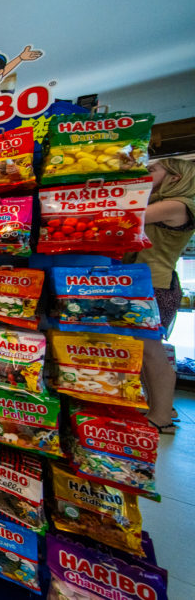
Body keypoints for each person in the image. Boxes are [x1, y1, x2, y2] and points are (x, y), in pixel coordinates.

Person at [133, 157, 195, 433]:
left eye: (153, 170)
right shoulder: (169, 202)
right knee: (147, 350)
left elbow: (131, 215)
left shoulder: (178, 205)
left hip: (155, 284)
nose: (147, 173)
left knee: (152, 352)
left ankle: (161, 417)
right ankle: (164, 406)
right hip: (144, 282)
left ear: (176, 177)